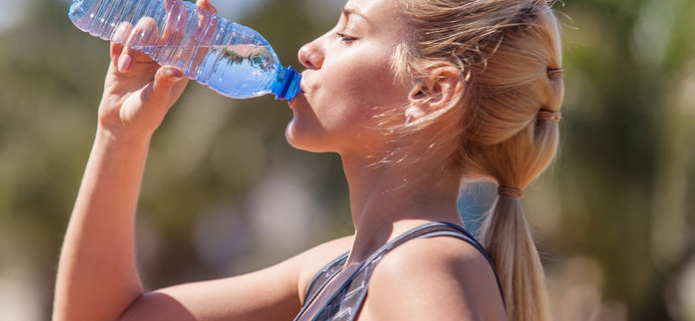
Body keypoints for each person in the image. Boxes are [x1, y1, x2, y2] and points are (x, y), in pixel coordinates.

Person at [52, 0, 564, 320]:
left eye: (347, 33)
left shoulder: (423, 268)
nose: (307, 49)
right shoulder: (341, 267)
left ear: (428, 92)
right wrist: (119, 133)